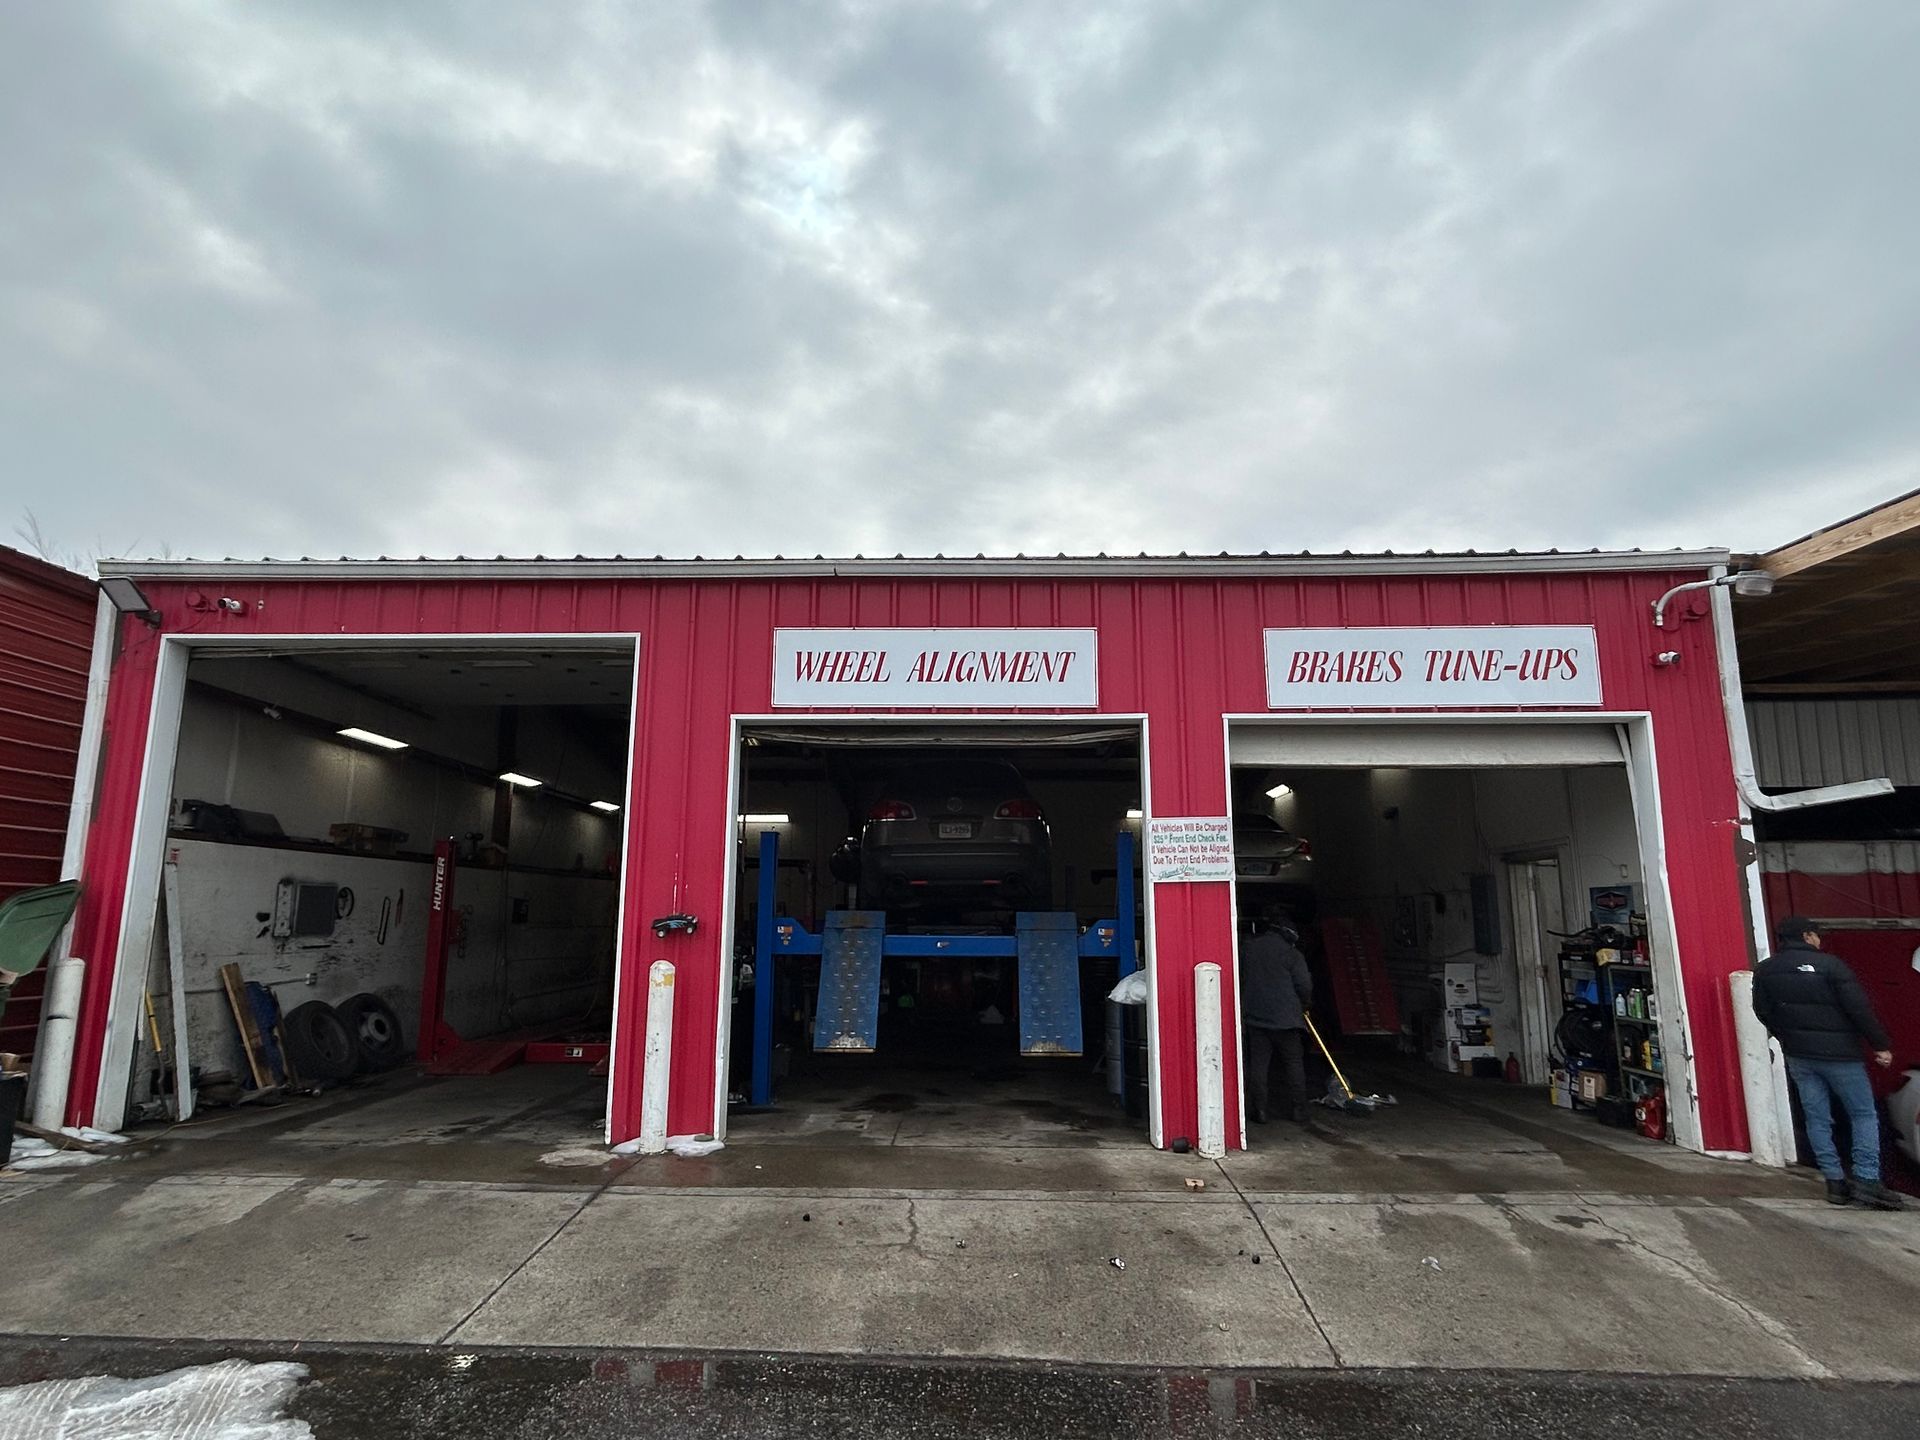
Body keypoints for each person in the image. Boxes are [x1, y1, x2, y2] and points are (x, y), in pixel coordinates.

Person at [1751, 916, 1905, 1211]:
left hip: (1799, 1056)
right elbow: (1859, 1008)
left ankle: (1835, 1182)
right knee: (1863, 1114)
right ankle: (1867, 1178)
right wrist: (1880, 1044)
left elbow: (1762, 1011)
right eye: (1817, 935)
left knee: (1818, 1119)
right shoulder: (1831, 966)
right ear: (1807, 936)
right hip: (1842, 1056)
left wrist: (1787, 1037)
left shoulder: (1766, 970)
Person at [1240, 915, 1313, 1125]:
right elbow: (1304, 985)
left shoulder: (1249, 949)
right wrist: (1305, 1004)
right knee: (1293, 1064)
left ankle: (1260, 1110)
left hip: (1256, 1017)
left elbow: (1241, 977)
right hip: (1287, 1020)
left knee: (1258, 1065)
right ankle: (1299, 1109)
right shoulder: (1292, 954)